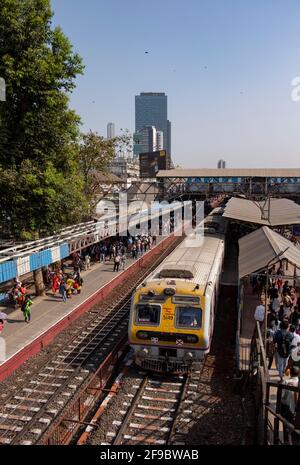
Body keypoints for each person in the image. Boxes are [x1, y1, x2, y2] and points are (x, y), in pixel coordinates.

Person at [280, 366, 300, 444]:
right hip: (297, 410)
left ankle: (286, 441)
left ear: (290, 373)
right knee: (296, 430)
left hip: (287, 409)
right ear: (298, 374)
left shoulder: (286, 382)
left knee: (287, 427)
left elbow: (282, 396)